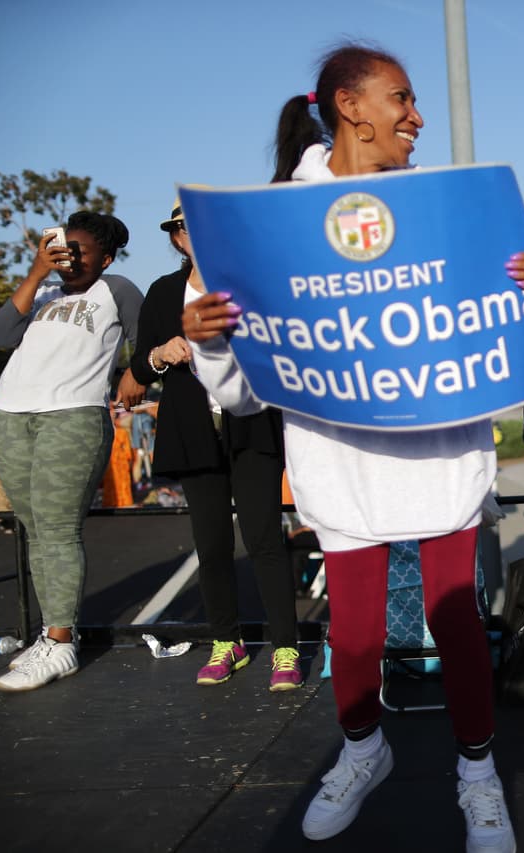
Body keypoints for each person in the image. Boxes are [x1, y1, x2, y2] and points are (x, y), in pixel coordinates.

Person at [184, 43, 524, 849]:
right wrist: (210, 338)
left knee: (457, 624)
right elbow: (241, 392)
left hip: (440, 463)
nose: (416, 115)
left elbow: (497, 338)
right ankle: (362, 750)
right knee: (352, 636)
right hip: (342, 469)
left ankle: (478, 773)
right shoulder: (267, 225)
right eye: (401, 97)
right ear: (350, 107)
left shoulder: (447, 209)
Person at [128, 200, 301, 692]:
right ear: (176, 238)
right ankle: (227, 642)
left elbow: (286, 345)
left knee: (265, 541)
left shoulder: (252, 284)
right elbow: (138, 366)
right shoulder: (163, 292)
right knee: (211, 545)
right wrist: (161, 353)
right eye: (182, 227)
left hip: (253, 425)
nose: (192, 233)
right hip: (192, 430)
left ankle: (286, 647)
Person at [0, 211, 142, 692]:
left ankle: (61, 641)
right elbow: (0, 336)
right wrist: (36, 273)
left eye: (81, 251)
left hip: (71, 415)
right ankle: (49, 635)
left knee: (57, 529)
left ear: (106, 258)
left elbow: (146, 340)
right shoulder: (44, 293)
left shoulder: (116, 289)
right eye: (63, 249)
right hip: (10, 415)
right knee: (35, 531)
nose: (69, 258)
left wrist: (136, 374)